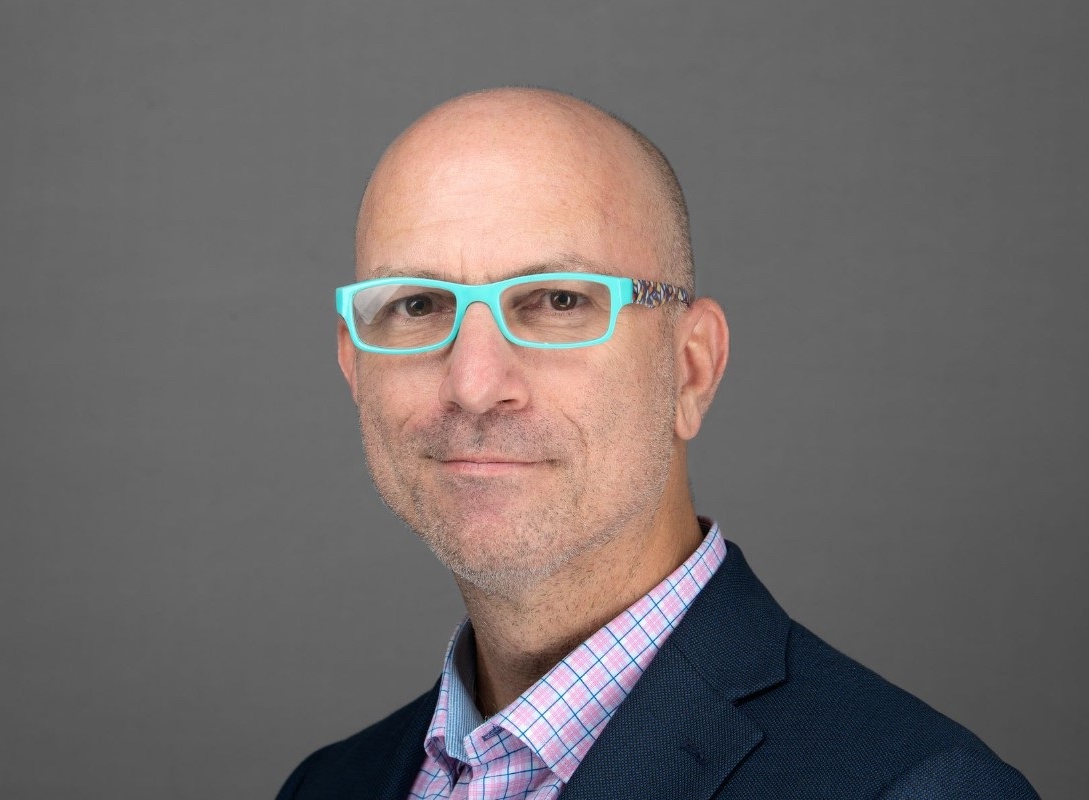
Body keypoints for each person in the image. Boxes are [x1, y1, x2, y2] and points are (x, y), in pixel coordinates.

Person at [278, 88, 1038, 799]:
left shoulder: (916, 785)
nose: (476, 384)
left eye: (558, 301)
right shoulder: (331, 783)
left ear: (690, 368)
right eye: (417, 304)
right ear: (354, 367)